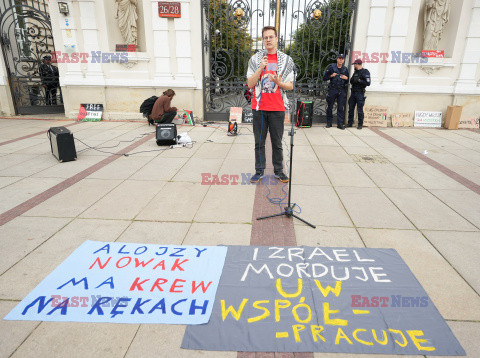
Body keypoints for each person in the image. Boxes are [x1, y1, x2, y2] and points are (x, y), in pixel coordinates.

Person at [246, 26, 295, 184]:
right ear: (262, 40)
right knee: (258, 142)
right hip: (259, 108)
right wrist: (260, 68)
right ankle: (259, 171)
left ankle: (279, 171)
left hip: (277, 108)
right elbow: (250, 84)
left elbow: (291, 86)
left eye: (271, 37)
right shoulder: (255, 60)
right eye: (265, 37)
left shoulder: (286, 60)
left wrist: (279, 82)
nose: (268, 40)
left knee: (277, 142)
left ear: (276, 39)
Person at [323, 54, 349, 129]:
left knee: (340, 107)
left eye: (342, 59)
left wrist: (346, 78)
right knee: (330, 106)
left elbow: (347, 81)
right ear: (337, 59)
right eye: (339, 58)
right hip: (333, 89)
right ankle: (329, 123)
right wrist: (331, 76)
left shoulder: (345, 69)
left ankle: (340, 124)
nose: (341, 60)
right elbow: (324, 78)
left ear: (343, 60)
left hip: (341, 90)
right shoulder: (332, 68)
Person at [347, 59, 371, 130]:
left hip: (360, 93)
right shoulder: (355, 72)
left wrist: (359, 80)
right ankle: (350, 123)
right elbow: (351, 81)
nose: (354, 66)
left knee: (359, 109)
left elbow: (368, 83)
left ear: (357, 64)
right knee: (351, 108)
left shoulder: (365, 72)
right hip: (353, 93)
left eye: (354, 64)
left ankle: (360, 124)